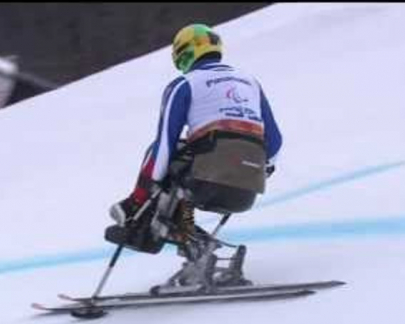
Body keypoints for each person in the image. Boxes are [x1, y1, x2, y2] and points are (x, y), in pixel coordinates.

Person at [109, 23, 283, 242]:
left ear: (188, 54)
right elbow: (275, 141)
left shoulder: (183, 84)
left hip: (206, 182)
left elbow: (164, 146)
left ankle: (167, 227)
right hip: (248, 189)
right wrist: (257, 170)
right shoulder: (251, 83)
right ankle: (192, 244)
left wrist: (140, 198)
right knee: (187, 163)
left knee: (166, 157)